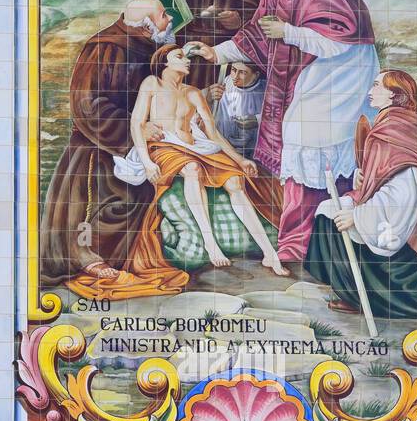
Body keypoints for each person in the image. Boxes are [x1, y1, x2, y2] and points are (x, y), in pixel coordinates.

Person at [187, 0, 378, 262]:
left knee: (308, 140)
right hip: (316, 68)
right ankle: (301, 243)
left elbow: (342, 36)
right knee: (300, 144)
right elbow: (259, 37)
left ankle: (324, 239)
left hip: (342, 69)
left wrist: (288, 32)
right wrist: (215, 53)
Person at [70, 46, 286, 299]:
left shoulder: (193, 93)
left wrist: (239, 159)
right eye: (180, 57)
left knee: (236, 181)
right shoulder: (152, 84)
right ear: (164, 62)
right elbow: (137, 123)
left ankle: (269, 253)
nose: (188, 62)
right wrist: (147, 161)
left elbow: (212, 133)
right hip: (163, 147)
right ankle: (210, 242)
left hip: (195, 146)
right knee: (192, 169)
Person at [39, 0, 173, 287]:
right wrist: (132, 129)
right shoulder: (105, 47)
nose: (170, 19)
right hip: (98, 147)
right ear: (147, 26)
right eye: (164, 15)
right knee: (110, 202)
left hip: (135, 146)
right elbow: (85, 104)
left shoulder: (148, 48)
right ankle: (86, 256)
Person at [304, 70, 417, 319]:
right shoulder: (405, 123)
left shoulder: (394, 130)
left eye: (376, 86)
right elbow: (389, 174)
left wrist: (357, 217)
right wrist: (366, 178)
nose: (370, 92)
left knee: (335, 220)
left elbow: (404, 194)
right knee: (327, 210)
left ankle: (368, 298)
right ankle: (354, 294)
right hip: (416, 221)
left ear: (393, 94)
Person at [208, 61, 265, 159]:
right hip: (225, 148)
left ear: (256, 75)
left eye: (242, 72)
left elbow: (279, 116)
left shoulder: (266, 89)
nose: (235, 77)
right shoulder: (226, 82)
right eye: (233, 70)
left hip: (253, 151)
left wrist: (257, 120)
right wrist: (209, 98)